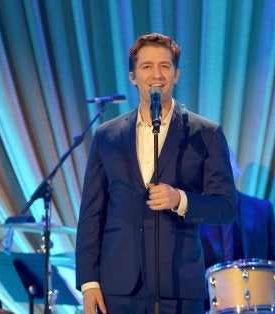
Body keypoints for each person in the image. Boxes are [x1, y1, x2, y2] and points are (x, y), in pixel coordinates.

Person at [75, 33, 237, 314]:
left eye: (164, 66)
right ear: (133, 76)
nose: (156, 74)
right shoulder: (107, 136)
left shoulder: (206, 133)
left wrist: (180, 199)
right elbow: (91, 213)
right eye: (146, 66)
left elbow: (225, 208)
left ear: (176, 74)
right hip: (118, 287)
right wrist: (89, 282)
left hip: (178, 286)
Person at [200, 148, 275, 269]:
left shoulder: (263, 210)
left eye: (225, 163)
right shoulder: (194, 212)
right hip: (209, 287)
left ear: (238, 169)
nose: (221, 171)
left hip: (256, 286)